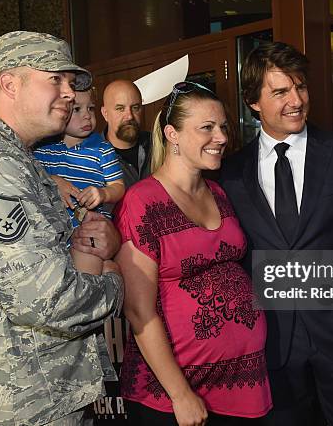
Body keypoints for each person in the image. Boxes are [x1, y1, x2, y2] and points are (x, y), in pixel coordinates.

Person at [0, 31, 124, 426]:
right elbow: (44, 300)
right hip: (25, 405)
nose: (70, 93)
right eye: (55, 79)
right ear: (10, 83)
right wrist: (114, 282)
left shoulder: (16, 157)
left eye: (71, 83)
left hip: (41, 395)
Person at [219, 41, 333, 426]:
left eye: (300, 87)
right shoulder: (231, 173)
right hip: (273, 340)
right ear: (253, 101)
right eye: (280, 91)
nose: (296, 100)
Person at [114, 81, 272, 426]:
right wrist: (180, 394)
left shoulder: (218, 192)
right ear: (172, 134)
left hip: (245, 384)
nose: (221, 138)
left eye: (223, 127)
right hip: (176, 392)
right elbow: (139, 311)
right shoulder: (141, 202)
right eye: (207, 128)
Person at [33, 88, 125, 275]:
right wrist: (51, 179)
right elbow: (30, 179)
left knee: (86, 285)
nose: (87, 116)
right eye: (77, 110)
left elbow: (118, 186)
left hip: (87, 231)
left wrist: (103, 193)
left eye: (90, 109)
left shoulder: (102, 149)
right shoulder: (42, 149)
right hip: (53, 235)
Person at [94, 79, 150, 187]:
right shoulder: (91, 158)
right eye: (120, 109)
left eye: (135, 108)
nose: (129, 116)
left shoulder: (157, 145)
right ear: (105, 113)